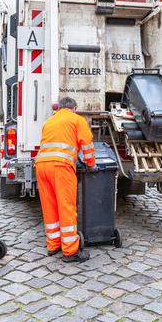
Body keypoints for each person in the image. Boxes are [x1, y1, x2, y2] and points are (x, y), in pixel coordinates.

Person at [35, 97, 95, 263]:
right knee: (66, 206)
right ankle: (70, 251)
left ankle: (53, 244)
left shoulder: (49, 121)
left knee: (49, 206)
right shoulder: (77, 119)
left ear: (59, 108)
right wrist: (90, 163)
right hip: (60, 167)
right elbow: (87, 143)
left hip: (41, 166)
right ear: (73, 109)